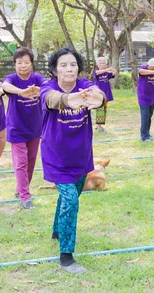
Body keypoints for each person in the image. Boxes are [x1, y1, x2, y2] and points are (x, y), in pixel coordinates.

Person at [40, 47, 106, 274]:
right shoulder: (48, 88)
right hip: (56, 156)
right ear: (55, 69)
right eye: (63, 65)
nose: (69, 69)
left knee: (70, 195)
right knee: (70, 200)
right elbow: (52, 100)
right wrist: (71, 99)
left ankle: (57, 230)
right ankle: (66, 257)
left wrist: (96, 99)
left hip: (81, 155)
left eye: (73, 64)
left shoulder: (85, 85)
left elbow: (100, 96)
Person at [2, 47, 47, 209]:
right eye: (19, 62)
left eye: (26, 62)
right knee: (21, 162)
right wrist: (22, 92)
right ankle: (25, 197)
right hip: (16, 128)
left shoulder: (37, 77)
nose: (23, 65)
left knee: (30, 162)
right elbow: (5, 86)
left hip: (35, 128)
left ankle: (20, 189)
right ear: (14, 65)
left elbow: (49, 87)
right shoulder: (12, 79)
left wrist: (38, 91)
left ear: (32, 64)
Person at [93, 57, 117, 132]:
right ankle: (99, 126)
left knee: (103, 109)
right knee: (100, 109)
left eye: (104, 63)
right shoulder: (96, 71)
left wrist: (113, 72)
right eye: (100, 63)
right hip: (99, 94)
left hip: (106, 93)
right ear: (98, 65)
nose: (102, 65)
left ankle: (98, 125)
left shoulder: (106, 73)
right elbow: (97, 73)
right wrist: (107, 69)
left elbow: (112, 75)